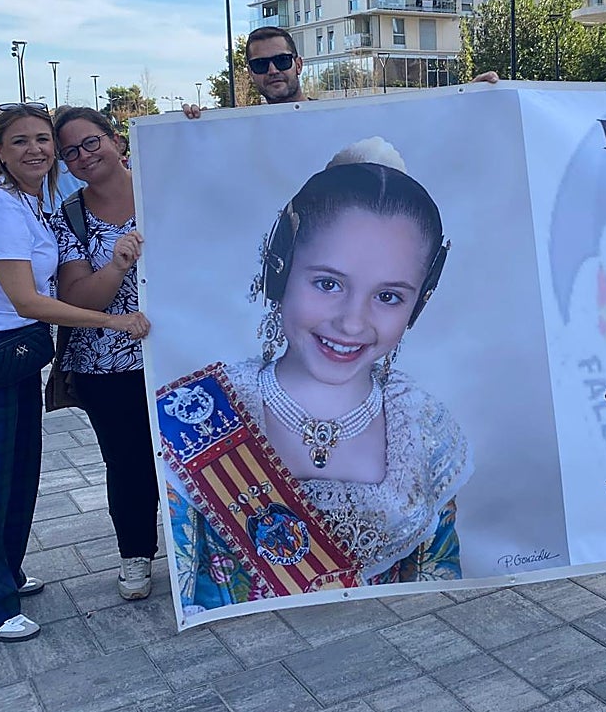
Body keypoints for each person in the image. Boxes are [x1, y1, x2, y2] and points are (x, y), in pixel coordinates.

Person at [157, 137, 470, 612]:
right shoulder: (198, 412)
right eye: (327, 284)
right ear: (279, 274)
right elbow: (187, 580)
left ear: (417, 304)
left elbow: (435, 587)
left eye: (389, 297)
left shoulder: (425, 428)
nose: (351, 322)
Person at [0, 102, 150, 642]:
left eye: (43, 140)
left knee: (17, 468)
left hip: (12, 349)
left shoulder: (30, 200)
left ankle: (3, 571)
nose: (37, 150)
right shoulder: (1, 206)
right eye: (21, 141)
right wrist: (110, 319)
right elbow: (27, 299)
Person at [50, 106, 159, 601]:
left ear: (115, 139)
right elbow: (76, 300)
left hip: (183, 351)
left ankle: (207, 549)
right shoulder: (68, 217)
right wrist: (115, 266)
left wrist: (196, 131)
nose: (83, 156)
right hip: (106, 363)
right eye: (70, 152)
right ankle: (136, 553)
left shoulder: (167, 185)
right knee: (128, 461)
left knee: (195, 456)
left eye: (91, 143)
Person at [182, 26, 499, 118]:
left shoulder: (338, 116)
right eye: (261, 64)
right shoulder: (241, 131)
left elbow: (412, 125)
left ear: (298, 63)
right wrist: (192, 130)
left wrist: (464, 99)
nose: (273, 70)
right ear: (251, 73)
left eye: (281, 60)